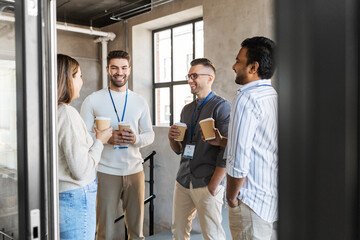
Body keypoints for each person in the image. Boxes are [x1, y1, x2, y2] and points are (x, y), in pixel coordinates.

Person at [207, 36, 278, 240]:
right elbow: (262, 145)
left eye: (238, 60)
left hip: (249, 200)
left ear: (253, 67)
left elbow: (239, 157)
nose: (233, 66)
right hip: (267, 198)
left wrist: (231, 196)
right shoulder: (272, 96)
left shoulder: (246, 98)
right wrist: (222, 142)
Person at [80, 50, 154, 240]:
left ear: (129, 70)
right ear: (107, 70)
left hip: (135, 171)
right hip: (105, 172)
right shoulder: (93, 99)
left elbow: (150, 134)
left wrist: (135, 139)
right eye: (114, 68)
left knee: (137, 232)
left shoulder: (139, 101)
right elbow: (83, 135)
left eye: (123, 68)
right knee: (104, 231)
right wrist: (105, 138)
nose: (119, 72)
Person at [168, 58, 230, 240]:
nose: (190, 80)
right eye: (189, 76)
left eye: (194, 76)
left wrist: (214, 184)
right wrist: (172, 138)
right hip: (183, 180)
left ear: (210, 77)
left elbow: (227, 148)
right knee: (178, 232)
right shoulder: (187, 109)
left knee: (212, 235)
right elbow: (179, 149)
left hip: (208, 181)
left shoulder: (222, 107)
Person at [57, 54, 112, 239]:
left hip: (59, 196)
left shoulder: (49, 111)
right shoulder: (67, 113)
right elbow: (80, 170)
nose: (82, 81)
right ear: (67, 79)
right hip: (74, 198)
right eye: (79, 76)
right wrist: (100, 141)